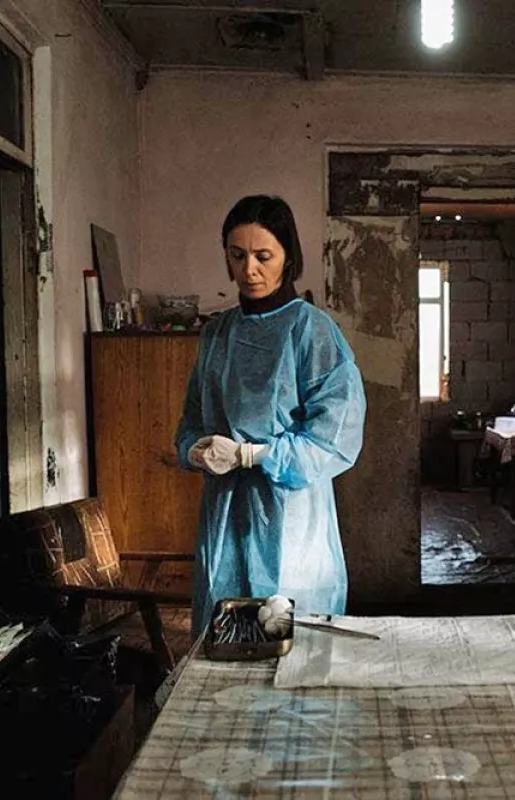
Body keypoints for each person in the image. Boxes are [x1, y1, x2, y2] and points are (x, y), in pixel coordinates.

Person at [175, 195, 366, 636]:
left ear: (288, 258)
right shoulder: (217, 334)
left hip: (291, 515)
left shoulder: (311, 331)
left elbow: (333, 438)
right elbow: (190, 423)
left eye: (263, 256)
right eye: (237, 256)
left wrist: (252, 455)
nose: (250, 270)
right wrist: (195, 451)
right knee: (226, 635)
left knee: (290, 637)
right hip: (225, 515)